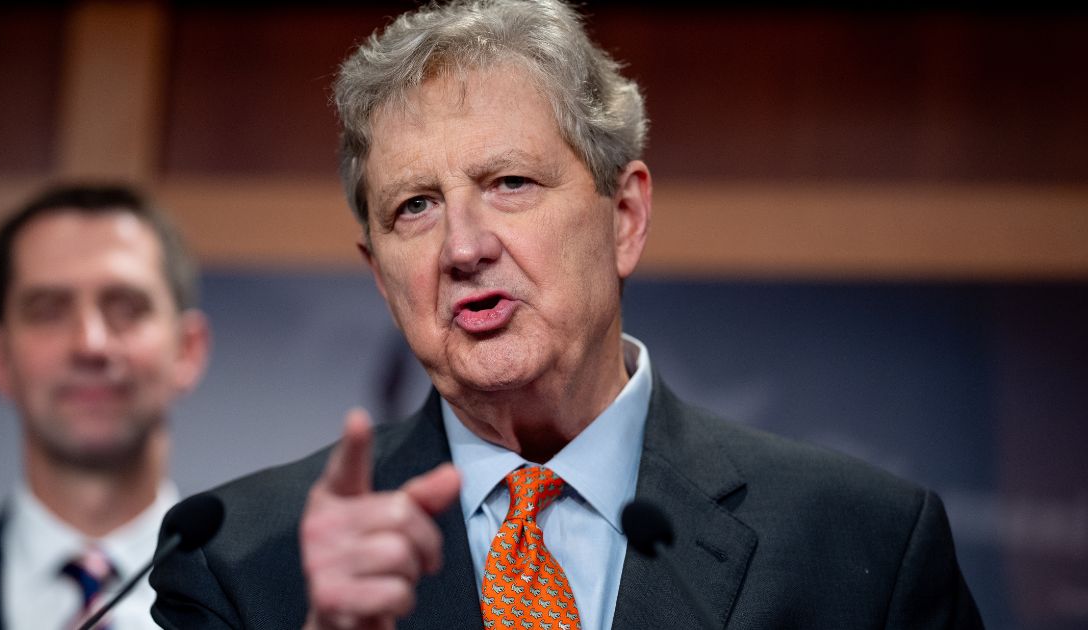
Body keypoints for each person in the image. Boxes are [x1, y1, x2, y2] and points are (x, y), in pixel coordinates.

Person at [150, 1, 982, 628]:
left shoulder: (861, 543)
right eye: (414, 207)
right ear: (380, 277)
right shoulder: (241, 563)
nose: (463, 246)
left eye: (510, 183)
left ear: (624, 217)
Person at [0, 184, 210, 629]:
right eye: (47, 309)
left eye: (125, 307)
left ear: (187, 351)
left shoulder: (282, 608)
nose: (90, 344)